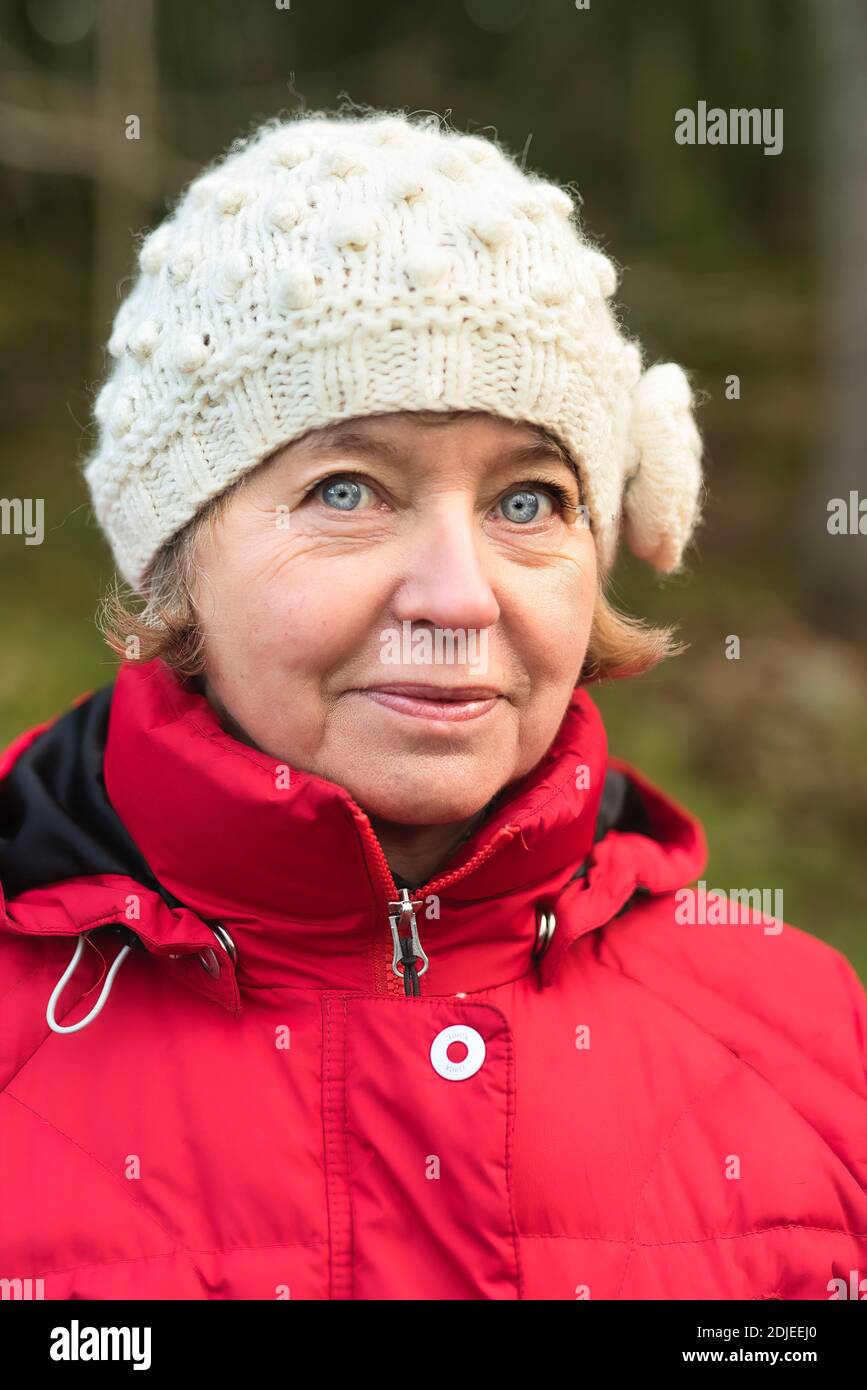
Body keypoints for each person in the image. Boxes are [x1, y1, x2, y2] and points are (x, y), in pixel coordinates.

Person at [0, 106, 864, 1302]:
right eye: (348, 489)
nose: (458, 599)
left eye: (528, 501)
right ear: (177, 557)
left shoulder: (813, 1041)